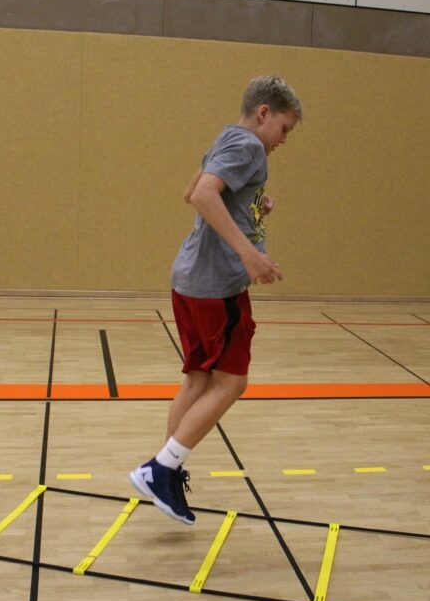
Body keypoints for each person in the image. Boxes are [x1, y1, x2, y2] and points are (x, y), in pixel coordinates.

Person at [130, 75, 303, 524]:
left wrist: (252, 208)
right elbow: (204, 196)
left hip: (188, 279)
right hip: (216, 287)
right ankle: (161, 468)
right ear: (264, 113)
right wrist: (249, 254)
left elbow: (191, 192)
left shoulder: (226, 138)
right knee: (232, 383)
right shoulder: (250, 147)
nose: (284, 140)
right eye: (284, 128)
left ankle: (166, 475)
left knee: (198, 381)